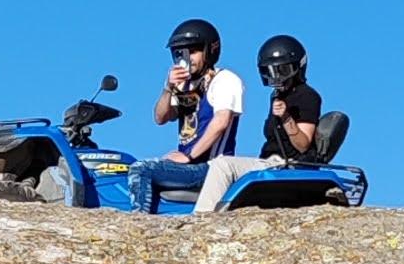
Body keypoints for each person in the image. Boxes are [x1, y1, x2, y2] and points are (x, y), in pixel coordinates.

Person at [143, 18, 248, 217]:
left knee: (143, 170)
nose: (187, 58)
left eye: (193, 51)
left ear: (210, 50)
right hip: (187, 166)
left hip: (211, 168)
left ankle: (139, 222)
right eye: (180, 53)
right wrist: (168, 88)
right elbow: (160, 117)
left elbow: (221, 122)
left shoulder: (225, 80)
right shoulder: (184, 85)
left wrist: (189, 156)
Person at [251, 33, 349, 168]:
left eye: (283, 70)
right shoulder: (277, 96)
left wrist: (286, 118)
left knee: (224, 166)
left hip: (283, 164)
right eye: (270, 71)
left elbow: (302, 145)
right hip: (264, 162)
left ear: (298, 67)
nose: (276, 77)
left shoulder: (307, 96)